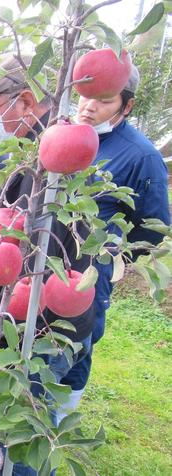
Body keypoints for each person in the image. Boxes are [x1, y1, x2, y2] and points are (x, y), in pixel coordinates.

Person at [0, 55, 95, 476]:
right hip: (41, 319)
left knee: (23, 438)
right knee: (21, 423)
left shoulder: (52, 161)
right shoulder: (37, 156)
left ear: (25, 102)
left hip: (45, 328)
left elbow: (32, 261)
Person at [59, 65, 170, 414]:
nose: (88, 106)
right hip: (42, 267)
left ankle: (56, 423)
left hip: (88, 275)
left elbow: (154, 228)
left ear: (127, 105)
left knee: (76, 347)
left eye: (103, 100)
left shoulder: (140, 156)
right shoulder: (61, 135)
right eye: (84, 95)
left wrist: (111, 251)